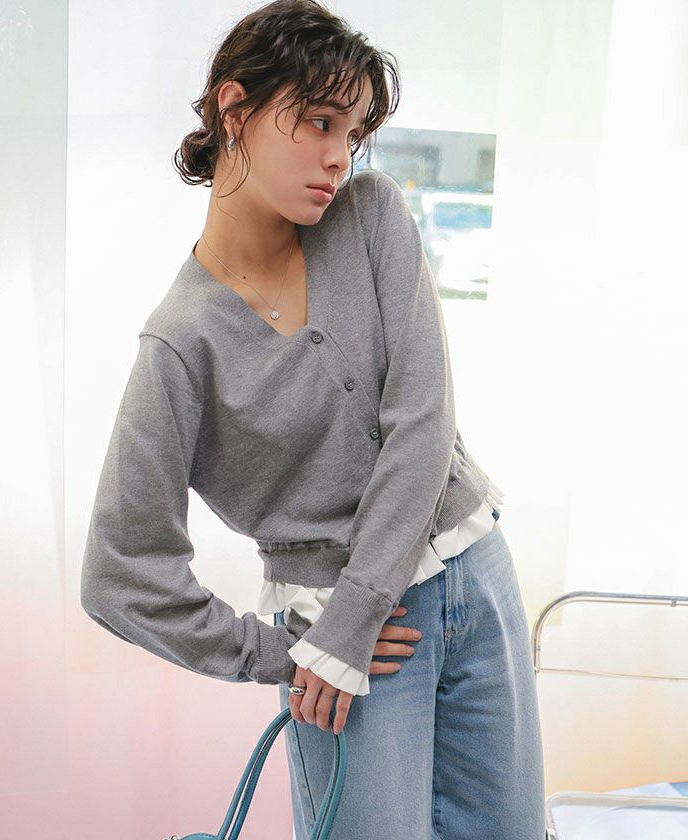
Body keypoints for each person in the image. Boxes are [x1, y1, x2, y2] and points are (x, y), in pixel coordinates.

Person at [80, 0, 546, 837]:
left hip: (474, 577)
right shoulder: (180, 344)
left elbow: (422, 423)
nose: (339, 155)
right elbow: (120, 573)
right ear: (235, 109)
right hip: (348, 642)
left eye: (354, 133)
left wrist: (352, 616)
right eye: (321, 122)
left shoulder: (370, 218)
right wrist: (288, 652)